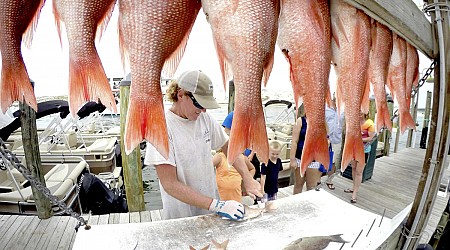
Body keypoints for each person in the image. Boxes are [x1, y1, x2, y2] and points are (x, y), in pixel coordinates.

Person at [144, 70, 262, 220]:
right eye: (199, 104)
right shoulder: (160, 128)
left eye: (206, 105)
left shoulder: (205, 118)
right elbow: (170, 184)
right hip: (181, 217)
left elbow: (227, 146)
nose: (203, 110)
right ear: (180, 95)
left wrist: (247, 178)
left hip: (211, 212)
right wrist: (217, 205)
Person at [344, 112, 376, 203]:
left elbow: (371, 138)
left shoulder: (369, 123)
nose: (359, 114)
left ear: (366, 113)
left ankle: (355, 193)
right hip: (354, 149)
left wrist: (359, 139)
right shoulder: (354, 122)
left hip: (364, 151)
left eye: (361, 112)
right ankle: (354, 187)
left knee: (359, 172)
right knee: (353, 168)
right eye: (358, 112)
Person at [289, 114, 323, 194]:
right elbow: (294, 141)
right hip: (299, 158)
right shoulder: (300, 121)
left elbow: (327, 138)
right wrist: (292, 159)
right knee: (298, 184)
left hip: (314, 159)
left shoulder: (321, 121)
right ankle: (296, 204)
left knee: (311, 186)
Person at [323, 99, 343, 190]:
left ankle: (329, 180)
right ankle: (318, 179)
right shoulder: (325, 108)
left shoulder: (343, 109)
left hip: (337, 139)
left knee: (334, 161)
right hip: (325, 139)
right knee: (321, 159)